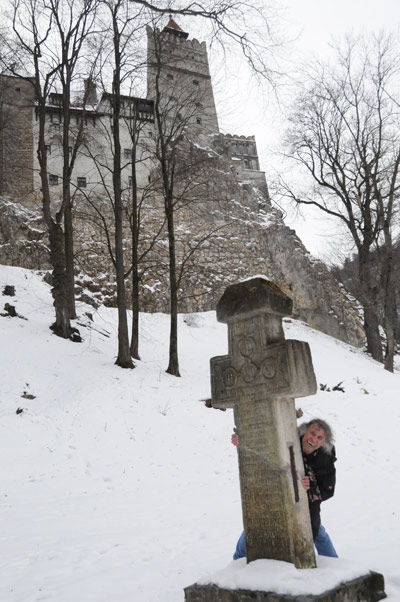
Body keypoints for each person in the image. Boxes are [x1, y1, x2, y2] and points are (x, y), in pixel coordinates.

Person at [232, 418, 338, 559]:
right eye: (312, 433)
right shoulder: (287, 440)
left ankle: (336, 567)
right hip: (277, 499)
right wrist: (243, 441)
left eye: (320, 438)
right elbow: (263, 446)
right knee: (253, 529)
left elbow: (328, 489)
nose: (314, 439)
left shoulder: (326, 458)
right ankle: (236, 563)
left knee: (318, 533)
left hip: (305, 509)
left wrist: (311, 487)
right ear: (304, 431)